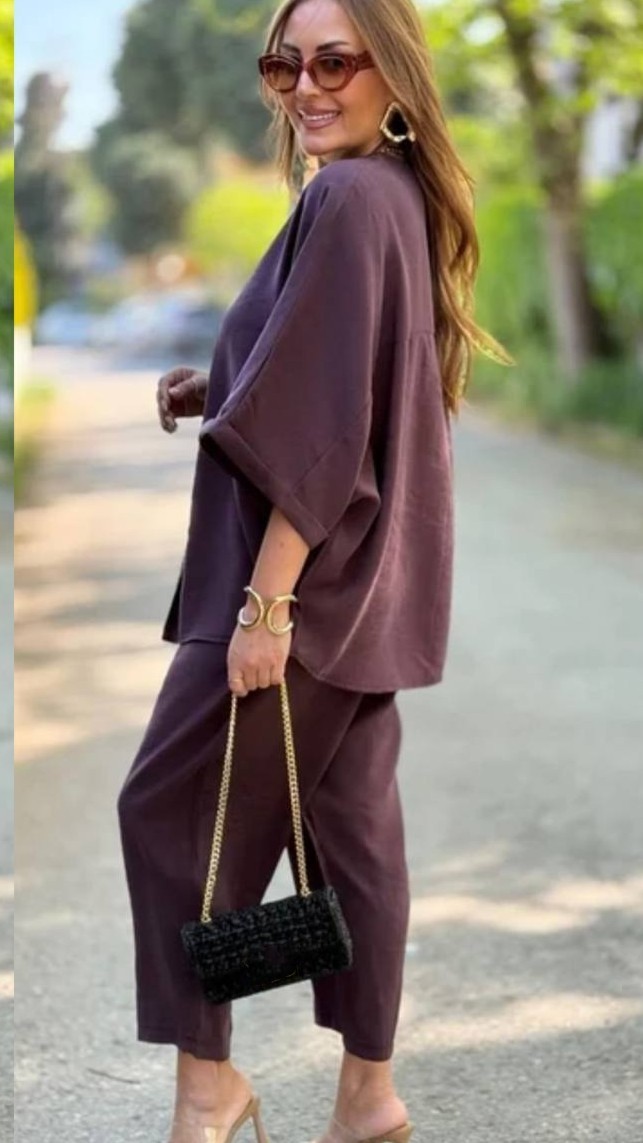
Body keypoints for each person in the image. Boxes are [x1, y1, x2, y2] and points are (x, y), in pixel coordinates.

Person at [117, 0, 504, 1140]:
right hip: (369, 586)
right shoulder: (392, 197)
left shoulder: (346, 198)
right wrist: (218, 387)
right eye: (283, 64)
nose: (306, 87)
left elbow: (326, 429)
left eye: (335, 62)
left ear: (394, 74)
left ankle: (208, 1085)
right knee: (349, 833)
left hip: (304, 585)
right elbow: (339, 376)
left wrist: (266, 603)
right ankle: (368, 1097)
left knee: (167, 809)